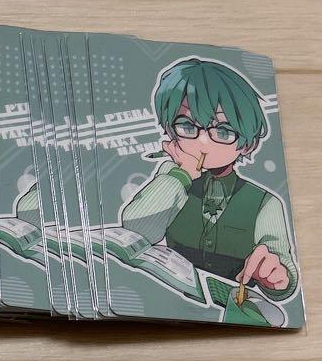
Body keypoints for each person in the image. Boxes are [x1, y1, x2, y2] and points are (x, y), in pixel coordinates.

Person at [120, 58, 298, 301]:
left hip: (232, 308)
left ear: (247, 144)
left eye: (223, 131)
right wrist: (182, 174)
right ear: (171, 132)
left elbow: (282, 263)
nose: (203, 142)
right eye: (187, 126)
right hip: (171, 299)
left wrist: (278, 277)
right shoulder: (171, 180)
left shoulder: (264, 203)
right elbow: (135, 233)